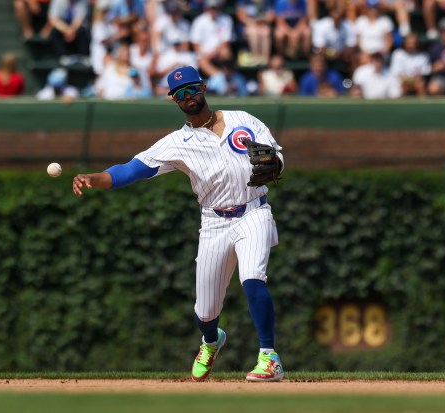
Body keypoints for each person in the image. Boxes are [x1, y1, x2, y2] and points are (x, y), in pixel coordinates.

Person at [72, 65, 285, 382]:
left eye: (192, 89)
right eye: (181, 93)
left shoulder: (244, 120)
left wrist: (276, 164)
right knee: (206, 311)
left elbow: (277, 158)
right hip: (214, 222)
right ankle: (211, 341)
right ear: (174, 100)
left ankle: (269, 357)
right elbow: (131, 170)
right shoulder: (176, 143)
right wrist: (94, 178)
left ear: (203, 88)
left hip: (254, 210)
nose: (189, 96)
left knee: (253, 276)